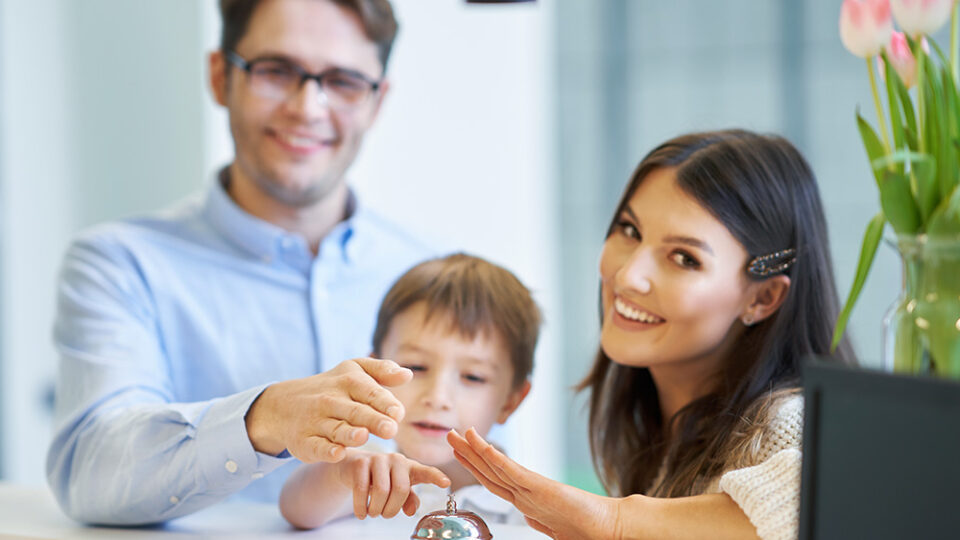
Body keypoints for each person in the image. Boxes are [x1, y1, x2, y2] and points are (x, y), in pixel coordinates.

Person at [46, 0, 437, 525]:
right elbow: (90, 474)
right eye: (276, 71)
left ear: (377, 100)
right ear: (219, 76)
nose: (308, 107)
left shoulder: (436, 274)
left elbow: (482, 487)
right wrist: (263, 419)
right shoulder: (119, 265)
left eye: (343, 80)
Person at [448, 129, 856, 540]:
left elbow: (830, 501)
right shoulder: (661, 435)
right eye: (630, 231)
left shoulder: (788, 421)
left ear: (763, 298)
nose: (628, 276)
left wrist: (616, 522)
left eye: (684, 258)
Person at [279, 253, 541, 528]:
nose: (437, 398)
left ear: (510, 402)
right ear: (375, 374)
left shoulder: (525, 503)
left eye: (473, 377)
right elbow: (297, 510)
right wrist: (343, 473)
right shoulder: (367, 461)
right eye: (416, 367)